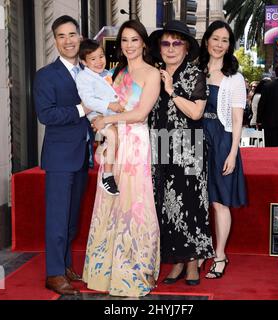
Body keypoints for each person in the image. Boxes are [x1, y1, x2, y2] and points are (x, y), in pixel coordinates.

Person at [82, 20, 161, 297]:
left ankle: (135, 273)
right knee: (111, 205)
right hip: (115, 142)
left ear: (143, 43)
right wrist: (104, 134)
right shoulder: (117, 72)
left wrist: (108, 119)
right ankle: (106, 273)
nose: (128, 45)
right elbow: (101, 103)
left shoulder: (152, 74)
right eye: (124, 40)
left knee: (135, 204)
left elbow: (140, 114)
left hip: (137, 144)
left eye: (134, 40)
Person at [148, 20, 214, 286]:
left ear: (186, 48)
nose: (171, 48)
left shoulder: (195, 74)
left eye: (177, 43)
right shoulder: (154, 72)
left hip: (189, 144)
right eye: (166, 43)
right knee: (165, 205)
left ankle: (192, 263)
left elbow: (197, 113)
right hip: (160, 143)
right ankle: (175, 261)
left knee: (191, 203)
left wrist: (172, 91)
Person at [33, 15, 93, 295]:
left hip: (82, 155)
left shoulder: (87, 71)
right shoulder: (46, 75)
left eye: (72, 35)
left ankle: (66, 264)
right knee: (58, 216)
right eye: (61, 36)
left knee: (71, 218)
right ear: (55, 41)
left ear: (80, 37)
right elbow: (46, 115)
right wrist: (83, 109)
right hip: (59, 158)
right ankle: (54, 273)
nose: (68, 41)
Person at [199, 20, 247, 278]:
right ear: (207, 40)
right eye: (215, 38)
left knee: (219, 202)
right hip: (194, 139)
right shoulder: (194, 70)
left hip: (221, 141)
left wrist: (233, 152)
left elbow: (237, 119)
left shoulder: (234, 78)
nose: (219, 44)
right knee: (196, 199)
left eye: (224, 40)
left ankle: (220, 255)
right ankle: (196, 252)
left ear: (229, 46)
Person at [76, 39, 125, 195]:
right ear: (84, 62)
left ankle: (105, 153)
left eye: (101, 56)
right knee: (112, 134)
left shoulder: (107, 74)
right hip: (97, 116)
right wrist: (110, 106)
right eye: (93, 58)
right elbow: (89, 100)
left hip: (113, 115)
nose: (99, 61)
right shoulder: (83, 77)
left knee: (120, 137)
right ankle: (107, 175)